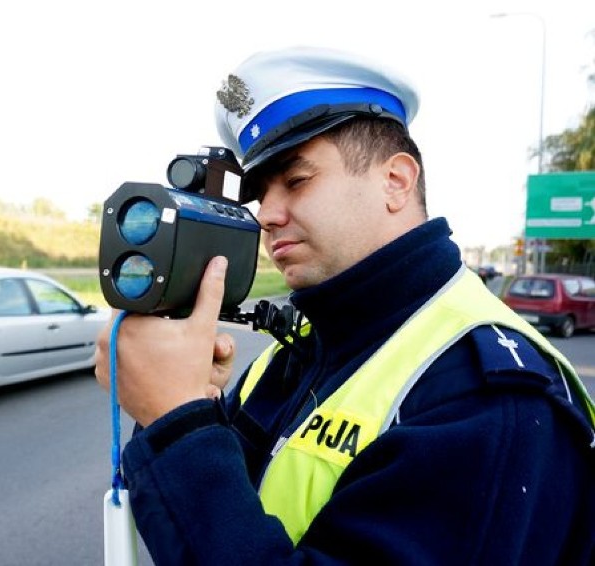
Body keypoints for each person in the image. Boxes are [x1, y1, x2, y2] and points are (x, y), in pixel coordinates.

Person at [95, 46, 595, 565]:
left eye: (295, 180)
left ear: (395, 181)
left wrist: (173, 419)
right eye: (260, 191)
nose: (266, 213)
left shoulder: (487, 401)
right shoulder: (301, 351)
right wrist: (182, 402)